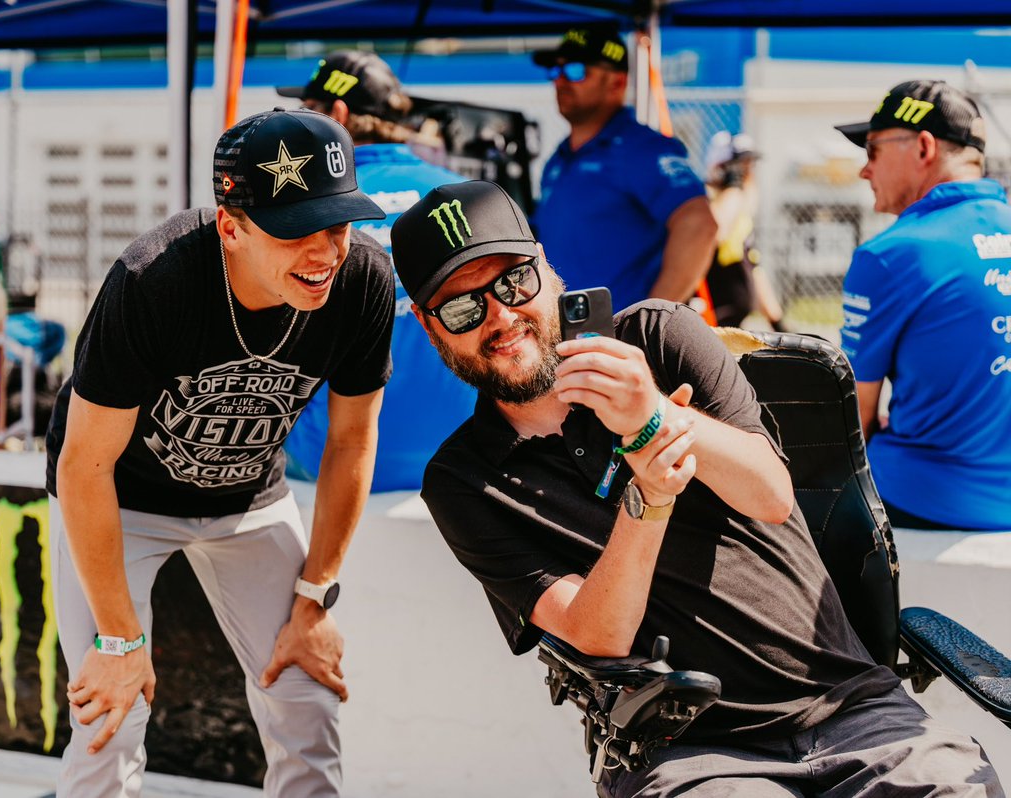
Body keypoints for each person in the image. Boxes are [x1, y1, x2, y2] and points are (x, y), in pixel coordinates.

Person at [388, 179, 1002, 796]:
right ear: (428, 324)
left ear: (547, 268)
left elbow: (770, 492)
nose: (500, 315)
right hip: (690, 751)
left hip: (851, 707)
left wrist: (654, 416)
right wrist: (648, 499)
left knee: (957, 785)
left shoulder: (659, 338)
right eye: (463, 307)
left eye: (512, 281)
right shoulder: (464, 480)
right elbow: (597, 635)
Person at [44, 108, 394, 797]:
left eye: (339, 224)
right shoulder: (154, 280)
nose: (325, 252)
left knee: (307, 695)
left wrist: (315, 599)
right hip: (122, 499)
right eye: (298, 231)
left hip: (247, 501)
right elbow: (84, 465)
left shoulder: (362, 283)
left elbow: (353, 440)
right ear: (231, 227)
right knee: (111, 712)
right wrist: (119, 643)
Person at [277, 50, 476, 491]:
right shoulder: (468, 198)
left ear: (339, 115)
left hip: (337, 459)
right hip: (464, 455)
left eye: (307, 114)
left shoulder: (304, 211)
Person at [835, 79, 1011, 531]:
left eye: (872, 150)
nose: (864, 170)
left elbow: (853, 419)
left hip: (925, 502)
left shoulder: (893, 253)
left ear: (925, 147)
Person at [530, 26, 717, 309]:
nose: (560, 81)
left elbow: (699, 224)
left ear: (616, 82)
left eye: (576, 70)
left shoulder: (641, 149)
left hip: (618, 342)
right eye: (555, 71)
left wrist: (651, 322)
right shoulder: (559, 158)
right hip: (564, 338)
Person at [702, 130, 786, 329]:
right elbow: (715, 232)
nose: (749, 174)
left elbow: (752, 267)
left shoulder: (740, 214)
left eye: (750, 166)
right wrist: (733, 191)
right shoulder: (709, 204)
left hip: (732, 321)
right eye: (741, 168)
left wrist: (777, 322)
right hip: (709, 318)